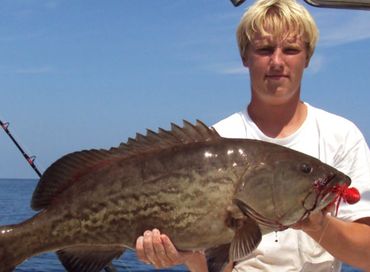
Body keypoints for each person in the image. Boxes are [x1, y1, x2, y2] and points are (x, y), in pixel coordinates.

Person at [135, 0, 370, 271]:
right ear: (245, 57)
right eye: (265, 49)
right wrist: (188, 255)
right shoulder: (217, 141)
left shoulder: (341, 136)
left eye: (291, 49)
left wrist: (317, 225)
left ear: (308, 57)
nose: (277, 61)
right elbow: (215, 266)